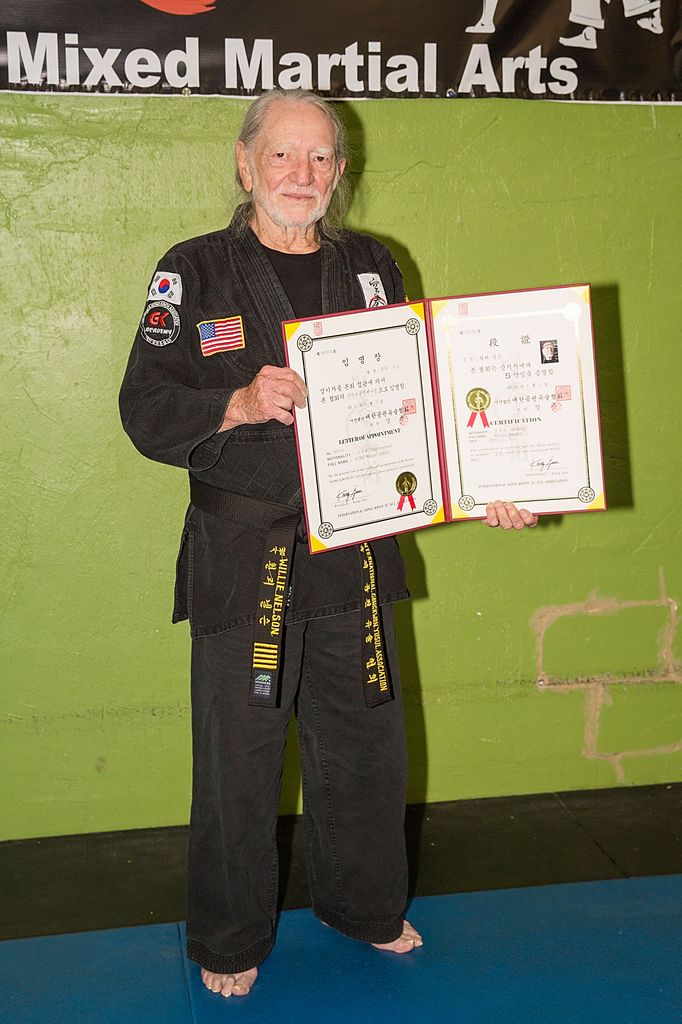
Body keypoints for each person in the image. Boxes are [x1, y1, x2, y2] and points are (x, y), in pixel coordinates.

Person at [119, 88, 537, 999]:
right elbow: (143, 407)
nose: (301, 175)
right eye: (282, 155)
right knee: (239, 755)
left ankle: (364, 907)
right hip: (249, 555)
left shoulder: (374, 267)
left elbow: (421, 407)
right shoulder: (190, 271)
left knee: (366, 744)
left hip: (358, 546)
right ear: (245, 163)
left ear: (339, 173)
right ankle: (229, 933)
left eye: (320, 159)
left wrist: (486, 482)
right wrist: (234, 401)